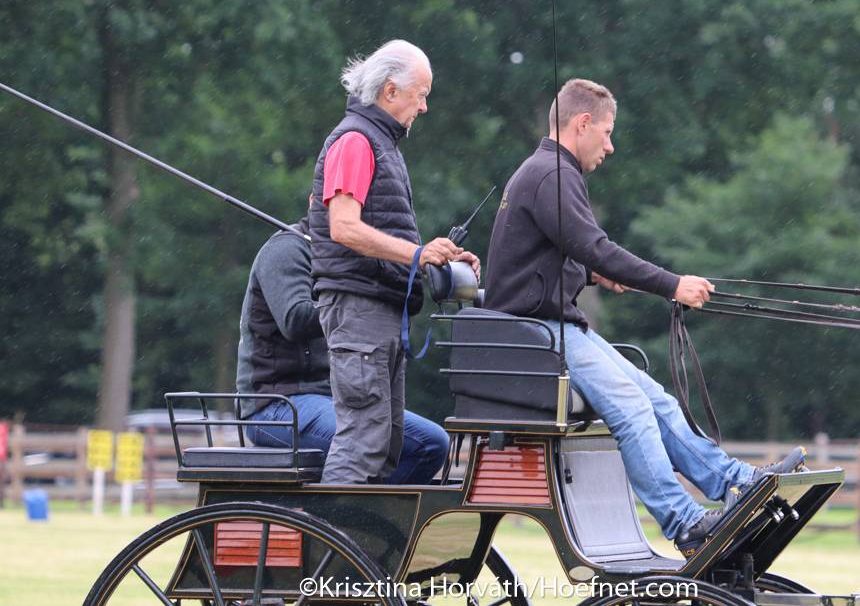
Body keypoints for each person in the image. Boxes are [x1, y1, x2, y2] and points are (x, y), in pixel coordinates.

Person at [484, 78, 804, 554]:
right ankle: (685, 522)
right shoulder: (553, 173)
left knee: (656, 401)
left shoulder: (545, 172)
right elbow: (594, 246)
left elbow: (550, 257)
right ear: (583, 123)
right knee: (632, 410)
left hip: (550, 328)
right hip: (537, 334)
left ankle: (738, 482)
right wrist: (671, 284)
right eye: (608, 132)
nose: (610, 146)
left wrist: (593, 276)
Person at [308, 40, 479, 484]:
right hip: (358, 308)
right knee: (364, 440)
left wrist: (441, 260)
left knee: (387, 443)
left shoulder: (382, 145)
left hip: (379, 310)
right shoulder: (354, 141)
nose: (423, 106)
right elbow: (343, 226)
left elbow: (388, 232)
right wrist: (418, 254)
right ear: (389, 91)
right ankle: (328, 550)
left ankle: (359, 549)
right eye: (420, 94)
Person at [235, 213, 450, 485]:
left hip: (333, 397)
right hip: (277, 403)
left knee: (432, 443)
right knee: (369, 437)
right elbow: (295, 319)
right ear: (315, 202)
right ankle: (334, 521)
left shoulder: (348, 257)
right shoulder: (286, 249)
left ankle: (370, 521)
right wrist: (356, 305)